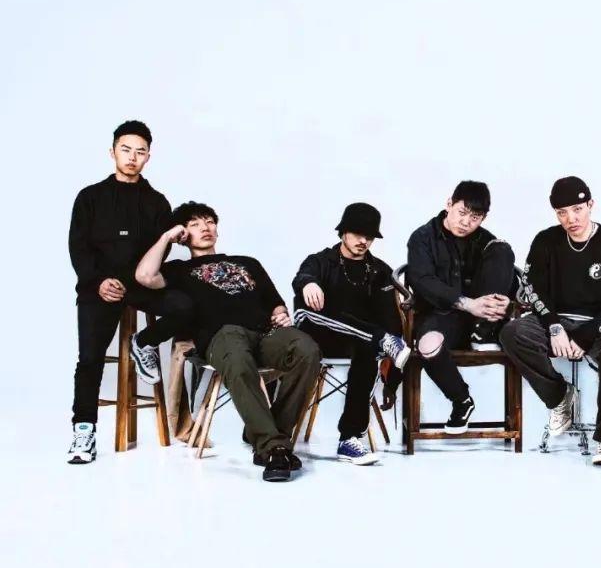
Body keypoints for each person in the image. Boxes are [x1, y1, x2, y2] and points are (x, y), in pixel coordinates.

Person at [135, 201, 320, 482]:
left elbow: (275, 302)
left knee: (307, 349)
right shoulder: (179, 270)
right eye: (195, 224)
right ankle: (273, 448)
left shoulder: (248, 263)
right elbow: (144, 276)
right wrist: (166, 237)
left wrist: (281, 314)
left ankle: (270, 434)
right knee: (236, 356)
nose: (205, 228)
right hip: (222, 336)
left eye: (209, 221)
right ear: (183, 234)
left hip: (264, 333)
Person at [66, 120, 194, 465]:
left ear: (148, 156)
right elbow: (78, 247)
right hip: (99, 287)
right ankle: (83, 431)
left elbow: (159, 255)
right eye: (126, 150)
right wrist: (98, 281)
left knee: (186, 305)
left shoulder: (157, 202)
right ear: (112, 152)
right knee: (89, 358)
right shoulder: (90, 197)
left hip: (140, 286)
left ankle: (143, 343)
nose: (132, 157)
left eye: (140, 151)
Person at [500, 176, 601, 466]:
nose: (571, 219)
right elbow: (533, 288)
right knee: (512, 332)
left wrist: (588, 333)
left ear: (591, 205)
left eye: (577, 209)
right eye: (562, 212)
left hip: (599, 323)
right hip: (556, 320)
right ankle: (559, 396)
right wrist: (554, 326)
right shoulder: (545, 240)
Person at [292, 202, 410, 466]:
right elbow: (302, 276)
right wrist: (309, 283)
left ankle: (349, 439)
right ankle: (377, 338)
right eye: (358, 234)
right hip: (315, 334)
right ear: (343, 232)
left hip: (357, 339)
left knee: (368, 349)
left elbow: (391, 322)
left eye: (369, 236)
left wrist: (392, 380)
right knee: (318, 311)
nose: (363, 241)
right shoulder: (320, 261)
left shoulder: (379, 270)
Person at [406, 181, 516, 433]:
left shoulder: (487, 241)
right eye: (462, 212)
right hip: (440, 316)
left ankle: (484, 332)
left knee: (502, 249)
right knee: (427, 345)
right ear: (449, 204)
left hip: (481, 323)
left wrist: (505, 300)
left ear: (483, 218)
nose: (466, 222)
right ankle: (462, 400)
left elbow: (505, 277)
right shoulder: (422, 238)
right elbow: (423, 282)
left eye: (475, 217)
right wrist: (467, 304)